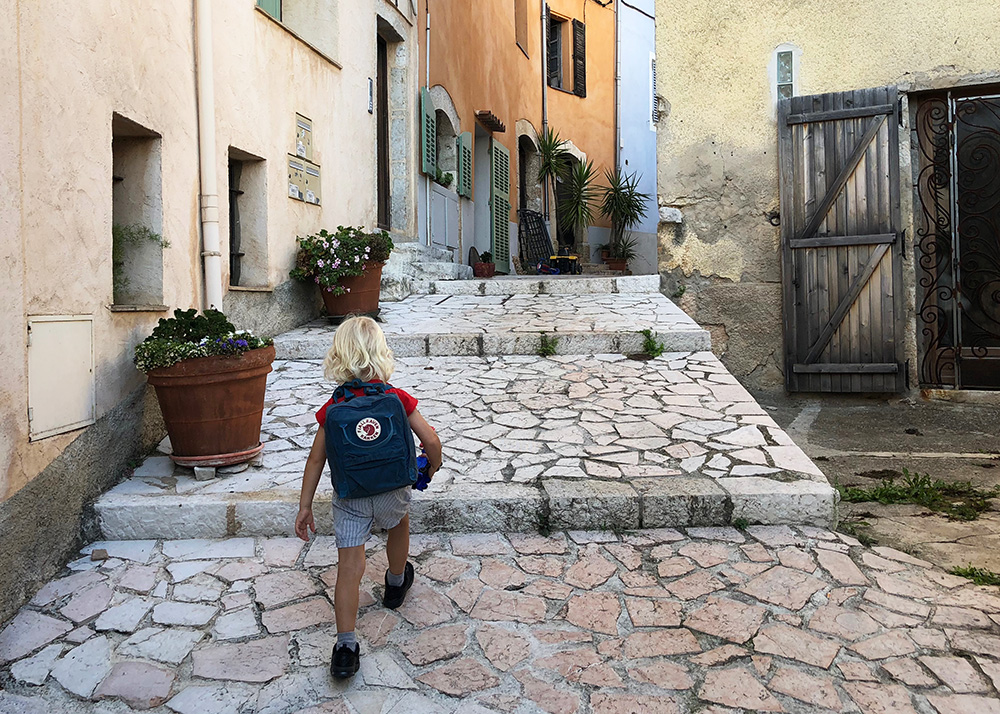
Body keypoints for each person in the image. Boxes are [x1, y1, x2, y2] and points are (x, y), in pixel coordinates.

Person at [294, 316, 442, 679]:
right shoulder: (397, 398)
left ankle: (346, 646)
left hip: (351, 496)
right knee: (399, 525)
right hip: (393, 489)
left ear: (338, 356)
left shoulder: (333, 408)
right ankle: (394, 583)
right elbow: (432, 440)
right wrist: (430, 468)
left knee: (349, 567)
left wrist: (305, 505)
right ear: (381, 354)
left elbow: (316, 459)